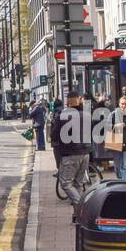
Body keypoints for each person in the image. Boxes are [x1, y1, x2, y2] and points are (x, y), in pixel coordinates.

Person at [52, 89, 92, 219]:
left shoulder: (60, 116)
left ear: (67, 102)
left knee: (66, 184)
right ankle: (78, 216)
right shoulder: (86, 115)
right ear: (79, 100)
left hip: (70, 154)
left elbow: (54, 138)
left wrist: (58, 160)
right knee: (78, 184)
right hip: (85, 153)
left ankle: (81, 206)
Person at [109, 96, 126, 180]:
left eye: (125, 104)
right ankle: (120, 180)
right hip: (116, 142)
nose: (123, 106)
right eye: (122, 104)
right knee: (117, 166)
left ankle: (125, 183)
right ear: (119, 104)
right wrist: (116, 126)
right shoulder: (113, 114)